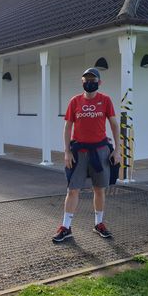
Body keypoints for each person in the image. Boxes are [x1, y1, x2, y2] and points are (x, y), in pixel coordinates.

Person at [52, 68, 121, 243]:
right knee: (73, 189)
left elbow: (114, 124)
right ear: (82, 81)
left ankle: (99, 224)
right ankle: (66, 227)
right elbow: (67, 127)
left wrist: (117, 150)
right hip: (79, 152)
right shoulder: (75, 101)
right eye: (86, 79)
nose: (89, 82)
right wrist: (67, 151)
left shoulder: (105, 100)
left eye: (93, 79)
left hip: (100, 151)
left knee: (99, 189)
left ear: (99, 82)